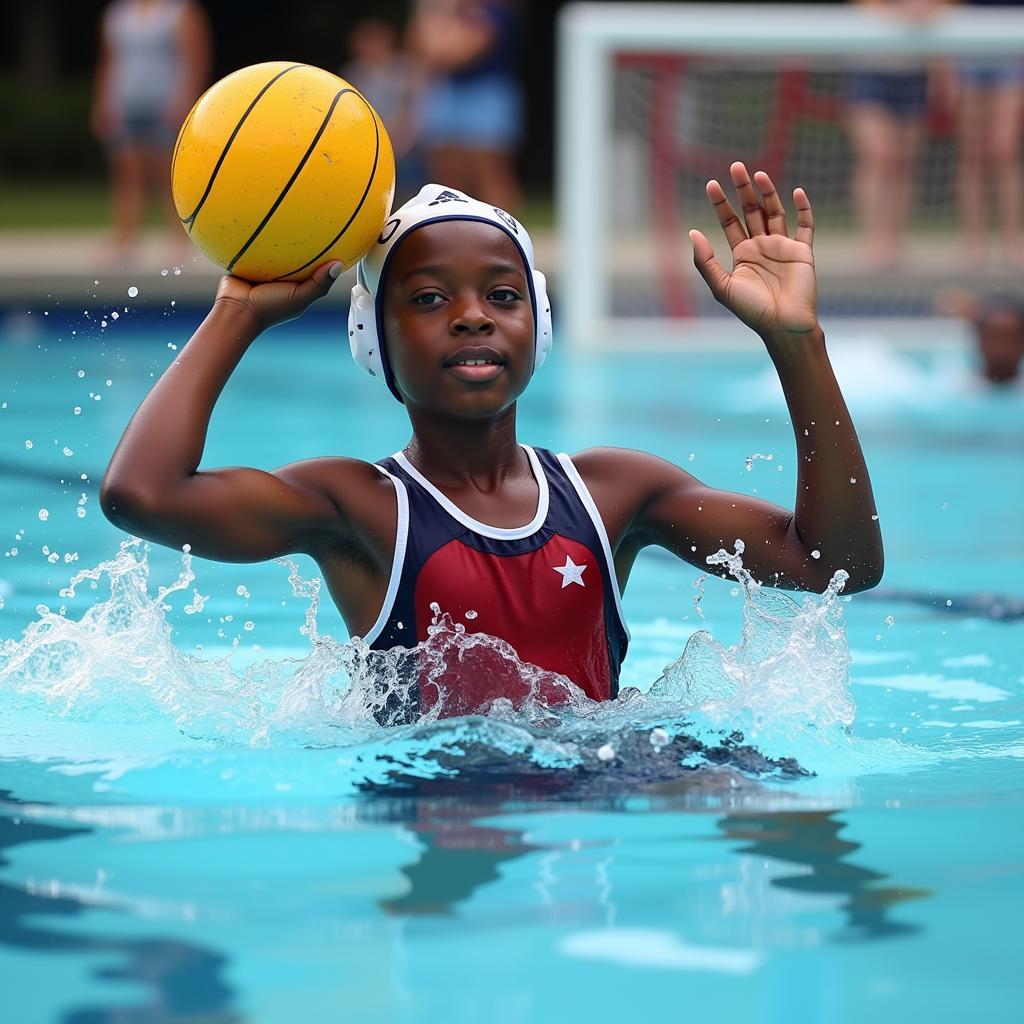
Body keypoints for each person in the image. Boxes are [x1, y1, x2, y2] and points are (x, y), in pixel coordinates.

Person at [100, 165, 884, 722]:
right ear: (377, 341)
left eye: (502, 296)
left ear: (536, 329)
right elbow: (144, 494)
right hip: (439, 804)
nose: (473, 316)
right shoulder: (357, 508)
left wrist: (797, 342)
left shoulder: (614, 492)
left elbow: (835, 565)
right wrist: (239, 311)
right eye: (431, 298)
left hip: (601, 791)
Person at [90, 0, 212, 267]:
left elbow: (194, 58)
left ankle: (179, 241)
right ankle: (126, 238)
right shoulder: (118, 14)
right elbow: (109, 62)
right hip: (124, 104)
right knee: (126, 175)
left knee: (169, 177)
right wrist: (103, 102)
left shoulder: (180, 11)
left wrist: (185, 99)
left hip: (165, 104)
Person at [845, 0, 950, 267]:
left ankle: (895, 239)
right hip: (871, 71)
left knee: (904, 163)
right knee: (879, 156)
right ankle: (874, 239)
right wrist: (902, 13)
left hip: (913, 73)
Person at [407, 0, 523, 212]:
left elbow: (458, 53)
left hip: (486, 93)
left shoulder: (494, 12)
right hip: (446, 91)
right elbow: (421, 48)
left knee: (488, 173)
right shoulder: (450, 11)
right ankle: (452, 232)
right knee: (446, 179)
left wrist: (437, 34)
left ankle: (506, 238)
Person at [948, 0, 1024, 267]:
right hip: (968, 42)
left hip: (1012, 41)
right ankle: (975, 241)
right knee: (973, 154)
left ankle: (1013, 241)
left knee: (1004, 150)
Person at [341, 18, 425, 204]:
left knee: (412, 189)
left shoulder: (403, 68)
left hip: (406, 142)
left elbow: (411, 106)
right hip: (373, 140)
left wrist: (403, 137)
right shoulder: (354, 73)